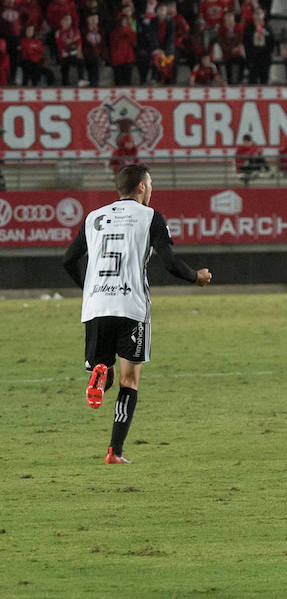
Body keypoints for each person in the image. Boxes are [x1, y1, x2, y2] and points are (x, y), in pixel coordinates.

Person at [62, 164, 212, 464]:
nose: (152, 188)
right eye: (151, 183)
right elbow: (169, 262)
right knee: (129, 381)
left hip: (96, 306)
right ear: (141, 187)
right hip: (131, 306)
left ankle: (100, 373)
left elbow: (69, 260)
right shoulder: (150, 217)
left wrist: (89, 288)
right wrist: (196, 277)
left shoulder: (93, 217)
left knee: (103, 373)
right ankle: (114, 452)